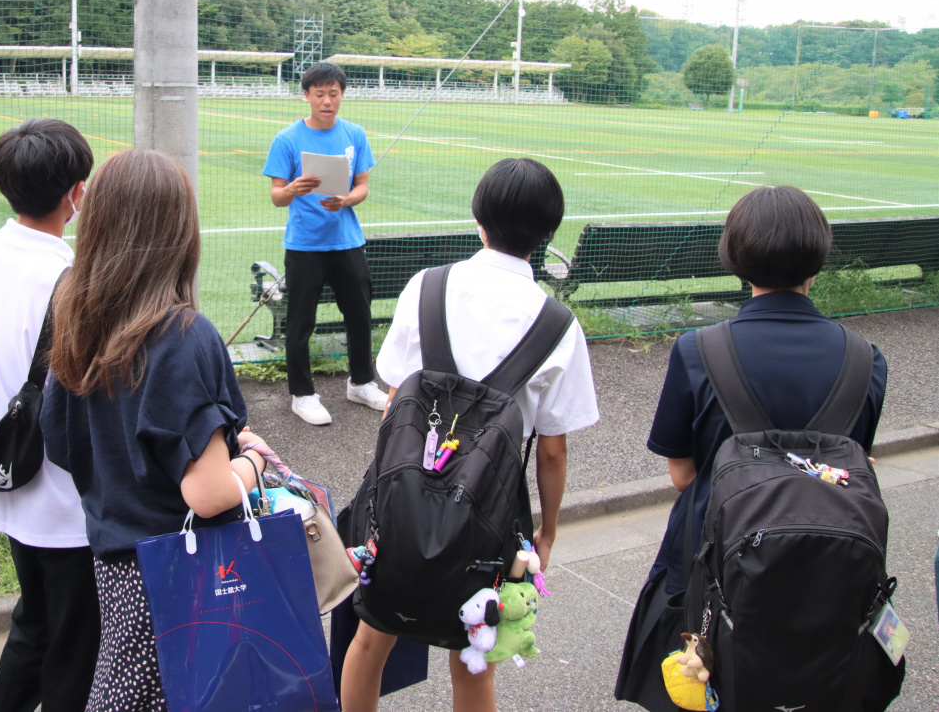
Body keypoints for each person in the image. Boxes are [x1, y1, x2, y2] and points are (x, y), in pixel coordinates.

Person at [340, 158, 599, 712]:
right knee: (474, 657)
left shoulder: (427, 287)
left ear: (478, 218)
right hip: (493, 510)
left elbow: (394, 396)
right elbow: (552, 448)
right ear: (548, 232)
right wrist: (547, 531)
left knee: (370, 639)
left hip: (405, 490)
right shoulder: (557, 323)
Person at [615, 184, 888, 709]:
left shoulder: (699, 351)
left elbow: (682, 474)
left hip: (710, 562)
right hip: (829, 569)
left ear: (736, 259)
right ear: (818, 258)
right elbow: (851, 465)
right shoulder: (865, 360)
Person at [38, 149, 274, 712]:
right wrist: (254, 459)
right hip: (184, 579)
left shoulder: (74, 315)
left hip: (114, 564)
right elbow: (210, 493)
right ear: (178, 232)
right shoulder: (184, 335)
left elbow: (62, 442)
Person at [0, 118, 99, 712]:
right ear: (75, 193)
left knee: (34, 627)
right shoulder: (70, 279)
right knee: (73, 649)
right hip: (63, 497)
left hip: (8, 472)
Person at [263, 61, 389, 425]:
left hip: (347, 240)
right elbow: (276, 196)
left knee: (359, 316)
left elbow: (362, 185)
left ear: (342, 95)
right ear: (306, 96)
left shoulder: (354, 134)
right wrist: (291, 189)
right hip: (304, 245)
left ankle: (362, 382)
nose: (327, 101)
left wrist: (347, 199)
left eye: (334, 94)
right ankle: (302, 394)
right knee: (301, 322)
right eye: (319, 94)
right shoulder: (287, 139)